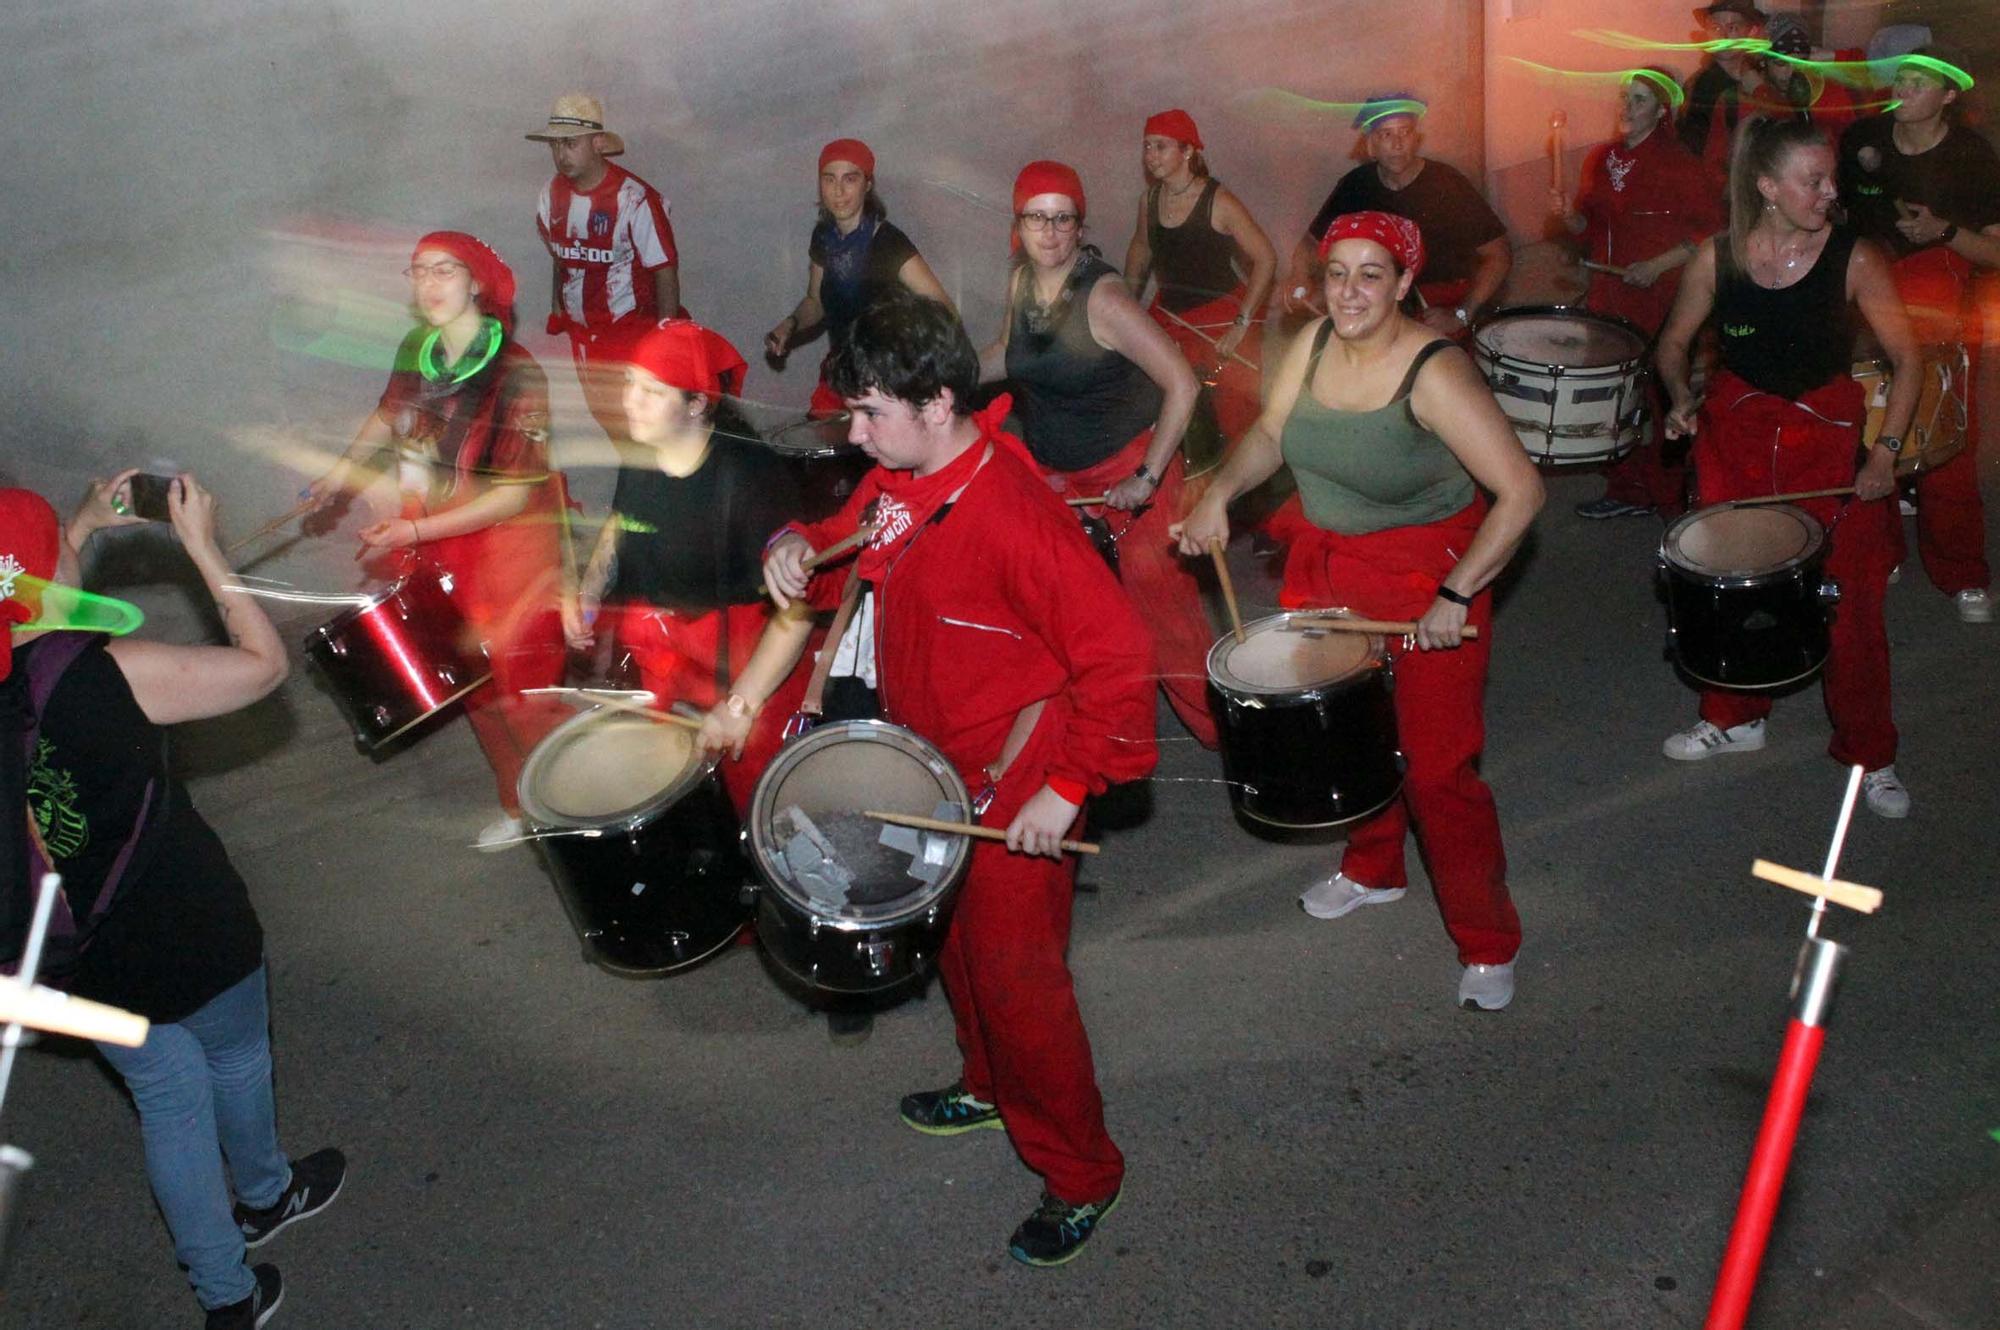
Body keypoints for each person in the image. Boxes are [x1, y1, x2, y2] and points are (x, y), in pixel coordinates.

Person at [753, 289, 1157, 1267]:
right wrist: (791, 545)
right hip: (929, 764)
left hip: (1019, 779)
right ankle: (986, 1085)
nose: (853, 433)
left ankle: (1081, 1174)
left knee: (1022, 987)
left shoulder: (1015, 518)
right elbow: (852, 528)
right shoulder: (901, 476)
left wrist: (1065, 790)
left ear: (937, 404)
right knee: (958, 953)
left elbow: (1117, 657)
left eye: (869, 412)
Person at [1176, 212, 1544, 1011]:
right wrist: (1220, 495)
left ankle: (1486, 939)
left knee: (1439, 769)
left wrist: (1456, 594)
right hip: (1333, 562)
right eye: (1337, 273)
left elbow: (1521, 492)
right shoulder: (1309, 344)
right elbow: (1272, 432)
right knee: (1348, 737)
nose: (1349, 291)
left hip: (1429, 576)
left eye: (1371, 274)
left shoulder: (1435, 372)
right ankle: (1375, 868)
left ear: (1405, 283)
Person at [3, 478, 346, 1330]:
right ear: (48, 575)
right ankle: (267, 1195)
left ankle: (226, 1298)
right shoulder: (108, 674)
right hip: (178, 919)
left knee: (166, 1092)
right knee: (231, 1055)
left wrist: (77, 520)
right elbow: (264, 668)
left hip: (60, 954)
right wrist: (204, 548)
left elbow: (41, 583)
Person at [1656, 116, 1921, 816]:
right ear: (1768, 188)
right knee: (1733, 588)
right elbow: (1673, 342)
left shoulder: (1855, 257)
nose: (1830, 192)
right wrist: (1681, 398)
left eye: (1830, 177)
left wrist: (1887, 453)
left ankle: (1871, 753)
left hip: (1829, 445)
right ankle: (1735, 717)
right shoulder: (1717, 258)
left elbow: (1909, 359)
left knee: (1851, 605)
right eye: (1813, 180)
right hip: (1735, 443)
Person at [307, 232, 569, 850]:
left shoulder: (516, 373)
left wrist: (413, 528)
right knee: (473, 685)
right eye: (418, 272)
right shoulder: (417, 348)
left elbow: (509, 495)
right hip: (445, 543)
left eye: (443, 272)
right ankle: (518, 802)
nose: (428, 286)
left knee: (525, 694)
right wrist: (338, 477)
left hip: (513, 550)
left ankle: (568, 805)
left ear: (477, 282)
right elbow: (387, 414)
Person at [980, 160, 1218, 748]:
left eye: (1064, 219)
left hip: (1132, 469)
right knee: (1066, 611)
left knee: (1165, 616)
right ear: (1019, 224)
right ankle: (1091, 732)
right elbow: (1008, 354)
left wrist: (1146, 476)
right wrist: (939, 375)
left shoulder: (1105, 298)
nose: (1051, 231)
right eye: (1038, 217)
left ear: (1080, 227)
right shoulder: (1021, 285)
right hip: (1061, 475)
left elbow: (1182, 384)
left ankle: (1230, 736)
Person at [564, 318, 813, 816]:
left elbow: (798, 614)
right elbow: (621, 521)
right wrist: (588, 590)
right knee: (673, 784)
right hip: (666, 650)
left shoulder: (748, 477)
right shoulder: (639, 454)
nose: (629, 401)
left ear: (697, 403)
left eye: (651, 392)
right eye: (629, 384)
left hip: (743, 655)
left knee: (756, 797)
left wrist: (741, 706)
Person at [1838, 47, 2000, 623]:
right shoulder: (1864, 139)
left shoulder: (1973, 158)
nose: (1901, 90)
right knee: (1867, 432)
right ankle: (1877, 553)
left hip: (1944, 305)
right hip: (1872, 300)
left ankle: (1962, 573)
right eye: (1898, 79)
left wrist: (1944, 230)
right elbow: (1835, 218)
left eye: (1917, 83)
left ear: (1948, 97)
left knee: (1946, 442)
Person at [1553, 68, 1723, 519]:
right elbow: (1589, 228)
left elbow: (1712, 229)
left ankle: (1672, 493)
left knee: (1661, 392)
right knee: (1616, 392)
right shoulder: (1601, 157)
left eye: (1640, 100)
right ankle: (1627, 488)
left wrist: (1657, 265)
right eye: (1625, 98)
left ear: (1661, 110)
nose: (1627, 108)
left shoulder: (1679, 163)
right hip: (1610, 292)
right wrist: (1566, 219)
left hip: (1662, 293)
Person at [1280, 94, 1511, 339]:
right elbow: (1310, 244)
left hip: (1442, 301)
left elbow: (1499, 255)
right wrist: (1300, 276)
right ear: (1370, 146)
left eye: (1405, 132)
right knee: (1313, 328)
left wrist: (1461, 314)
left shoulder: (1447, 184)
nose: (1398, 144)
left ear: (1417, 139)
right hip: (1382, 296)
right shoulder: (1356, 185)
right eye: (1386, 135)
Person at [527, 93, 682, 440]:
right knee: (609, 423)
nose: (560, 154)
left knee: (644, 430)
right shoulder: (550, 195)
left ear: (597, 143)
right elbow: (560, 256)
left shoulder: (635, 199)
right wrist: (558, 307)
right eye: (554, 145)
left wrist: (666, 338)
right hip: (585, 337)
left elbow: (664, 269)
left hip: (631, 333)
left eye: (570, 143)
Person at [764, 138, 953, 417]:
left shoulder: (888, 242)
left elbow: (944, 310)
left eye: (849, 179)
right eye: (829, 180)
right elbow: (815, 301)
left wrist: (902, 355)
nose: (838, 191)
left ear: (867, 184)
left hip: (886, 385)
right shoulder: (823, 237)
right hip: (842, 374)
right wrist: (790, 324)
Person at [1122, 108, 1278, 442]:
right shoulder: (1148, 201)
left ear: (1188, 150)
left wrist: (1240, 326)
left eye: (1161, 146)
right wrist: (1125, 304)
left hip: (1219, 319)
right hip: (1169, 315)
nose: (1150, 156)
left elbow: (1266, 257)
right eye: (1147, 146)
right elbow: (1140, 250)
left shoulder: (1219, 202)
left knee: (1230, 414)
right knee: (1155, 402)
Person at [1680, 1, 1770, 171]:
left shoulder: (1765, 76)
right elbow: (1691, 151)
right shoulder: (1700, 86)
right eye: (1716, 28)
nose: (1724, 36)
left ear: (1750, 32)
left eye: (1733, 27)